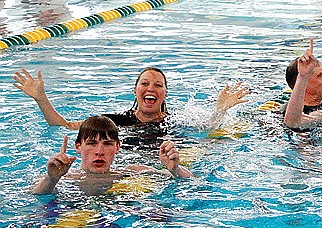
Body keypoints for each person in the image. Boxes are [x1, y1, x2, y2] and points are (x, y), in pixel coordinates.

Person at [14, 66, 249, 131]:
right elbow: (62, 125)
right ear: (135, 91)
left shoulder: (177, 120)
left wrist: (220, 110)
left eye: (158, 85)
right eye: (145, 84)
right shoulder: (115, 122)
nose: (151, 89)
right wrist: (41, 98)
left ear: (165, 94)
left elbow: (208, 129)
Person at [31, 116, 192, 195]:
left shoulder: (130, 172)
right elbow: (35, 194)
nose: (99, 151)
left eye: (107, 144)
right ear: (78, 147)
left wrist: (174, 169)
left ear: (117, 147)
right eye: (92, 143)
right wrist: (52, 179)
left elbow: (190, 180)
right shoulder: (65, 178)